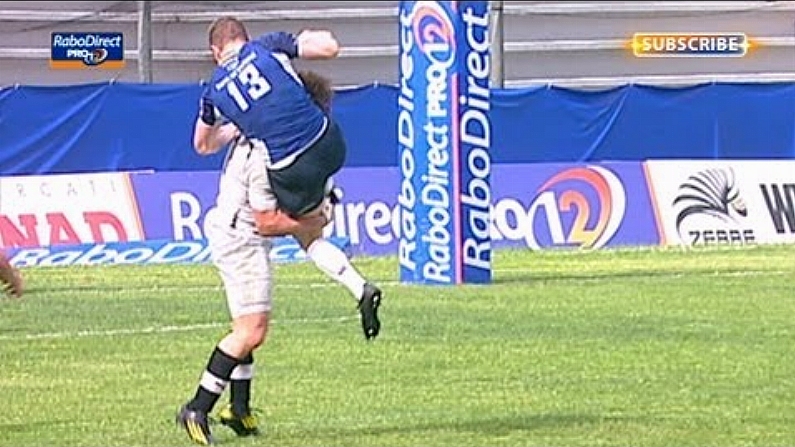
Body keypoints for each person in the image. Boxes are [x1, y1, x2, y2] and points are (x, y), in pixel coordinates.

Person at [176, 17, 382, 446]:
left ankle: (241, 411)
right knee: (251, 329)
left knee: (249, 320)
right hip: (239, 232)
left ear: (216, 52)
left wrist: (311, 224)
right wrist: (310, 219)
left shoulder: (225, 100)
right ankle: (196, 408)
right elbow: (270, 223)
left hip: (246, 222)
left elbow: (201, 143)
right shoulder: (265, 153)